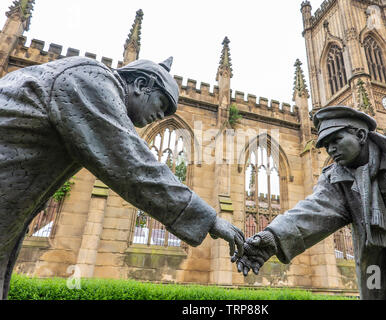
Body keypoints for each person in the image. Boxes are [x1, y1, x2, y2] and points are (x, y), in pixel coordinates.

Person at [0, 56, 244, 300]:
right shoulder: (90, 81)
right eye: (162, 104)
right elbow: (134, 165)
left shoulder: (85, 80)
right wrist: (210, 220)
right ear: (140, 84)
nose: (161, 116)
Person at [234, 106, 386, 300]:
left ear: (361, 134)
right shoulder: (337, 179)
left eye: (336, 140)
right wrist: (272, 237)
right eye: (326, 145)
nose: (330, 150)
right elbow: (313, 212)